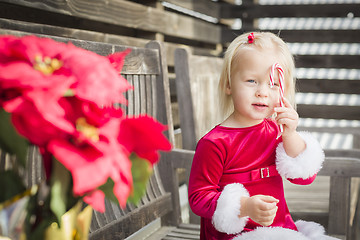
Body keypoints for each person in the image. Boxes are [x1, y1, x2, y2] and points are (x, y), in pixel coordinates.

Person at [188, 32, 333, 240]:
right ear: (229, 84)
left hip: (280, 229)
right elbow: (198, 197)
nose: (262, 92)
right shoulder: (215, 143)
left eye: (273, 84)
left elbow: (304, 178)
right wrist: (243, 206)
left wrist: (290, 134)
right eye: (251, 80)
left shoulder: (275, 132)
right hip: (236, 235)